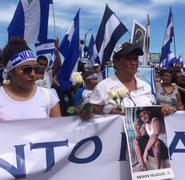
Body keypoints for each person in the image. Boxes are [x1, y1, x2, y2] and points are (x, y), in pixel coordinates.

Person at [0, 38, 61, 121]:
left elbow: (58, 131)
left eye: (35, 68)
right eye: (26, 69)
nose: (33, 74)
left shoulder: (49, 97)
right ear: (10, 71)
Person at [89, 42, 156, 114]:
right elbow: (87, 109)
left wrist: (163, 109)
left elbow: (152, 110)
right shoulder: (103, 87)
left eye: (135, 59)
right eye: (128, 59)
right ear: (116, 62)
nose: (133, 63)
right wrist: (106, 109)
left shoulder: (146, 87)